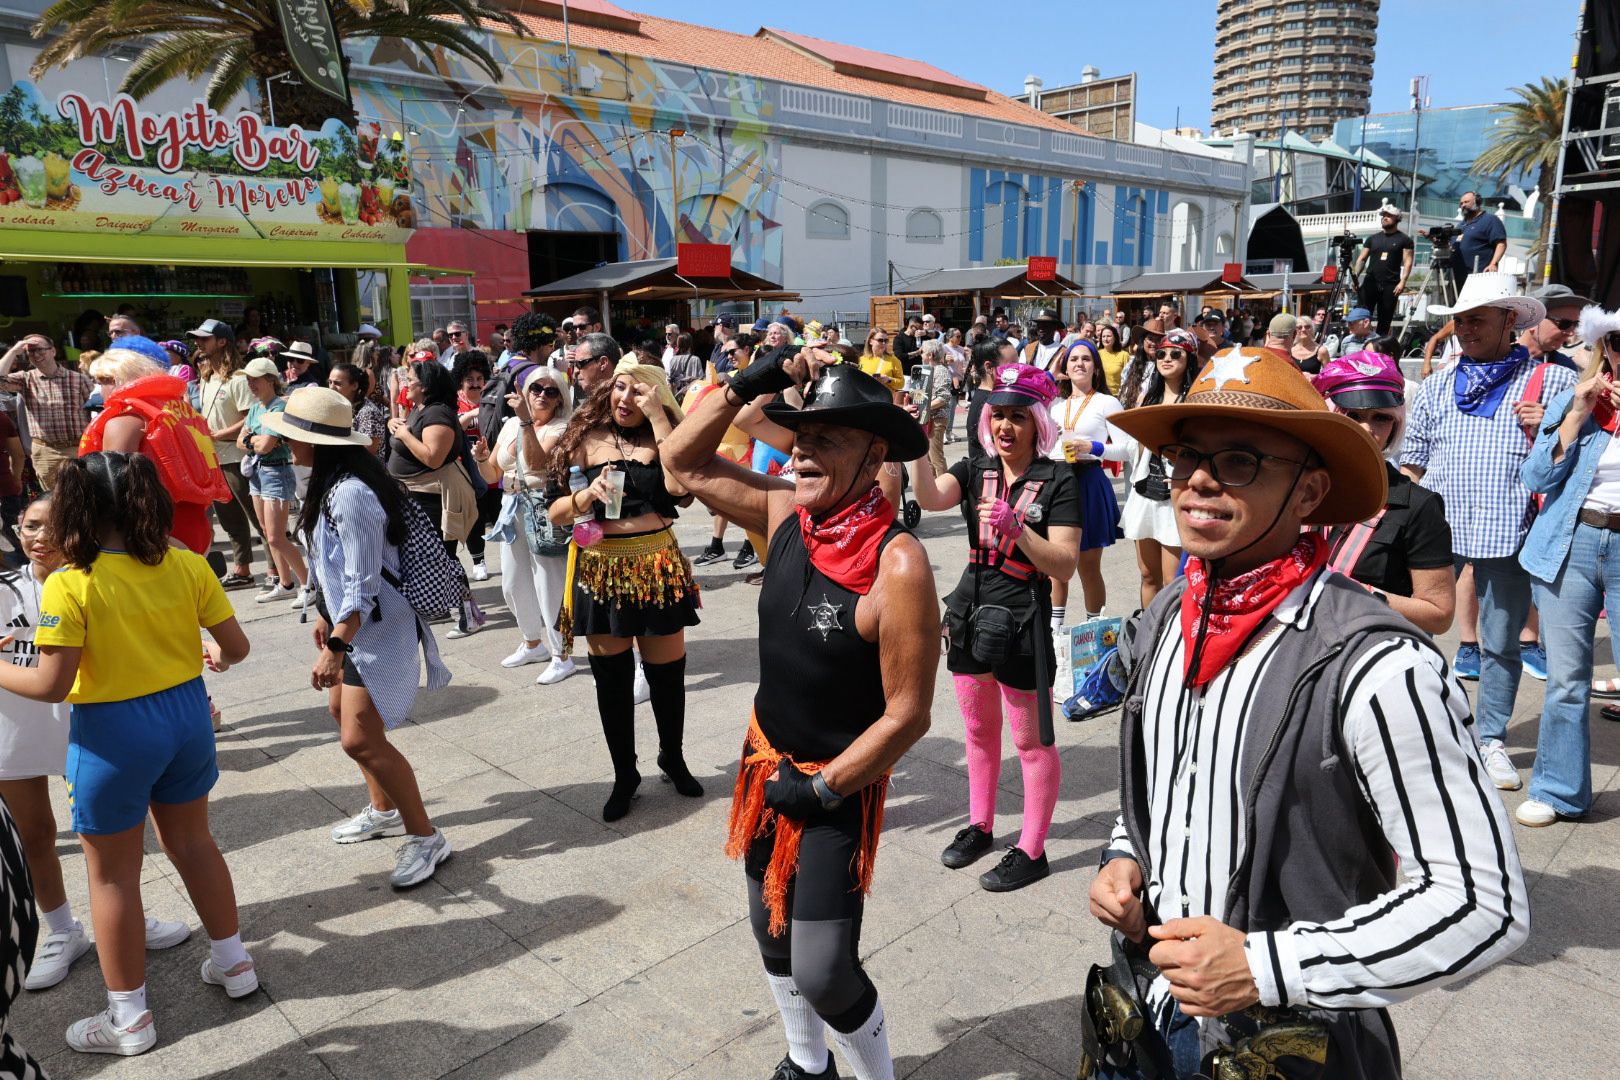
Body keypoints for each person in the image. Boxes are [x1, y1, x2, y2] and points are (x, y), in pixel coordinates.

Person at [1085, 346, 1528, 1079]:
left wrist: (1267, 964)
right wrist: (1125, 852)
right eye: (1186, 454)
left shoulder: (1379, 665)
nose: (1198, 478)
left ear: (1309, 493)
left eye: (1239, 461)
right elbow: (1166, 782)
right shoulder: (1169, 613)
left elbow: (1484, 905)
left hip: (1295, 1042)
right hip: (1150, 1003)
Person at [662, 350, 936, 1080]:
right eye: (801, 435)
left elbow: (908, 715)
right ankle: (807, 1063)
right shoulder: (786, 512)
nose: (805, 449)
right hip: (764, 762)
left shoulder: (899, 563)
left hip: (834, 785)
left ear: (875, 454)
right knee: (769, 931)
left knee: (824, 971)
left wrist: (821, 790)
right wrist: (745, 386)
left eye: (829, 438)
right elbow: (682, 463)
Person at [0, 452, 256, 1056]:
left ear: (76, 511)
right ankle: (235, 963)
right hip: (188, 718)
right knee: (195, 843)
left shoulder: (71, 581)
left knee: (112, 875)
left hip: (113, 731)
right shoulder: (186, 563)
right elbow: (236, 648)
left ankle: (129, 1019)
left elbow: (50, 685)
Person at [265, 388, 453, 885]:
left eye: (292, 436)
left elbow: (365, 583)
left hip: (377, 627)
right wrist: (327, 616)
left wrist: (336, 645)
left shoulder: (350, 492)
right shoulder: (331, 483)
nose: (285, 443)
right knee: (343, 718)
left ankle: (426, 836)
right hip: (356, 625)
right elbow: (337, 570)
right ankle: (383, 809)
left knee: (359, 738)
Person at [1402, 273, 1572, 792]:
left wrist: (1551, 426)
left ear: (1509, 320)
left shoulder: (1552, 383)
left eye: (1477, 318)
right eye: (1459, 319)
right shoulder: (1436, 384)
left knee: (1500, 643)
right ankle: (1417, 727)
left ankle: (1491, 737)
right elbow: (1413, 464)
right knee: (1412, 634)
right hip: (1436, 534)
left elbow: (1578, 462)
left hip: (1509, 531)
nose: (1464, 328)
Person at [911, 364, 1078, 892]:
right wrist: (914, 445)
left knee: (1030, 742)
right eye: (998, 416)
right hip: (968, 613)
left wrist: (1017, 527)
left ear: (1037, 424)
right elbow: (933, 498)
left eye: (1018, 418)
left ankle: (1032, 849)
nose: (1005, 427)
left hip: (1022, 620)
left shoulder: (1059, 479)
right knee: (979, 732)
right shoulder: (974, 466)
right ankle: (980, 826)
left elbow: (1065, 564)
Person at [547, 358, 702, 821]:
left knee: (667, 677)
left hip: (656, 563)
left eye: (638, 392)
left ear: (655, 396)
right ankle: (624, 775)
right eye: (618, 388)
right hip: (600, 567)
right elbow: (553, 513)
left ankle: (671, 758)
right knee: (611, 683)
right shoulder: (584, 438)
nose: (624, 399)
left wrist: (660, 420)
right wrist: (584, 498)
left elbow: (677, 491)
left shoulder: (667, 438)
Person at [1517, 304, 1620, 826]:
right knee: (1566, 680)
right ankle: (1560, 790)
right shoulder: (1576, 398)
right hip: (1572, 542)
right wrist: (1577, 415)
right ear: (1606, 350)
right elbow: (1535, 478)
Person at [1312, 352, 1455, 633]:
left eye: (1380, 418)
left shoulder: (1418, 506)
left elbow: (1439, 615)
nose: (1367, 428)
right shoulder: (1306, 488)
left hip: (1370, 651)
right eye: (1352, 415)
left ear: (1396, 424)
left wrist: (1355, 593)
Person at [475, 364, 577, 686]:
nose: (542, 396)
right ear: (525, 392)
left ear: (560, 399)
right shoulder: (508, 427)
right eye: (536, 389)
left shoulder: (563, 428)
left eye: (551, 391)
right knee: (513, 583)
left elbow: (536, 463)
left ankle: (562, 655)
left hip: (544, 508)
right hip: (512, 506)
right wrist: (480, 458)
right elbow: (492, 474)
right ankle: (533, 643)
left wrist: (524, 421)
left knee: (550, 585)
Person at [80, 348, 230, 559]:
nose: (98, 388)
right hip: (196, 525)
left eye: (102, 380)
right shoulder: (178, 411)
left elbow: (113, 487)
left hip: (154, 530)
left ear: (118, 380)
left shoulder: (124, 421)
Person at [1047, 340, 1126, 623]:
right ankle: (1054, 632)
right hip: (1056, 483)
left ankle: (1095, 631)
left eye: (1086, 359)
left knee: (1089, 567)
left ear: (1096, 367)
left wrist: (1093, 447)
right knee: (1055, 566)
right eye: (1073, 359)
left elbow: (1127, 449)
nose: (1079, 363)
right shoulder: (1054, 405)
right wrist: (1050, 374)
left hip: (1089, 482)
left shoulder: (1108, 402)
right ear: (1065, 367)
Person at [1119, 330, 1193, 607]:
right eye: (1161, 353)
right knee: (1147, 575)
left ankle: (1170, 637)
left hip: (1174, 499)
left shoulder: (1195, 400)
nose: (1167, 358)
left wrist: (1180, 478)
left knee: (1172, 580)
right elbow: (1131, 449)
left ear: (1189, 358)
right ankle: (1148, 637)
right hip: (1143, 493)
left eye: (1176, 353)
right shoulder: (1146, 399)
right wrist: (1095, 448)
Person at [387, 360, 477, 563]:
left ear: (425, 386)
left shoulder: (437, 413)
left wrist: (404, 435)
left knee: (440, 560)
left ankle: (459, 595)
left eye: (410, 380)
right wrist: (392, 422)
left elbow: (433, 458)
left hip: (429, 502)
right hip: (415, 498)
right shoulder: (422, 408)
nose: (405, 384)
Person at [238, 356, 310, 608]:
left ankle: (307, 584)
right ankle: (286, 584)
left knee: (277, 537)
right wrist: (254, 441)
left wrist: (254, 441)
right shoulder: (257, 408)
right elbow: (243, 442)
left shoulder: (279, 407)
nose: (251, 384)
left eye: (255, 379)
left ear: (270, 380)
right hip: (258, 474)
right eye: (248, 380)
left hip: (276, 473)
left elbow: (266, 446)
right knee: (269, 534)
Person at [193, 331, 263, 588]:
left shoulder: (238, 379)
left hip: (238, 456)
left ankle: (277, 570)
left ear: (222, 342)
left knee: (258, 517)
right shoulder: (207, 378)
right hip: (214, 459)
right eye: (197, 339)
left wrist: (218, 435)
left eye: (204, 339)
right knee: (229, 519)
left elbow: (251, 417)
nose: (199, 344)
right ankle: (242, 570)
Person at [0, 332, 93, 489]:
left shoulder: (78, 379)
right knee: (52, 501)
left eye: (40, 349)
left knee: (84, 494)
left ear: (53, 351)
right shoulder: (25, 379)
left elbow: (94, 413)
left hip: (77, 448)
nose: (36, 354)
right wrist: (14, 351)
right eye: (31, 351)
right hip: (45, 451)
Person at [452, 351, 499, 582]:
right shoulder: (454, 402)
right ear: (461, 381)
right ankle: (479, 560)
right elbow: (453, 428)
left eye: (479, 379)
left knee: (499, 512)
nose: (475, 384)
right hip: (467, 470)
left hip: (492, 465)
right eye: (470, 379)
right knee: (475, 518)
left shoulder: (492, 398)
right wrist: (472, 413)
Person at [1352, 206, 1414, 336]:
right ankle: (1360, 342)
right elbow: (1362, 259)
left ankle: (1379, 348)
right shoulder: (1372, 238)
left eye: (1388, 215)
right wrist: (1355, 276)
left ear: (1397, 218)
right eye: (1383, 215)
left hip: (1391, 285)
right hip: (1370, 282)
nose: (1384, 218)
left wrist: (1403, 281)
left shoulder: (1405, 240)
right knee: (1361, 315)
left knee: (1385, 319)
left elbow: (1408, 261)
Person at [965, 338, 1017, 467]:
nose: (1018, 370)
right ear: (989, 367)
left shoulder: (990, 396)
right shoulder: (990, 403)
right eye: (1012, 365)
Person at [1519, 284, 1589, 371]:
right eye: (1564, 323)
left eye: (1575, 324)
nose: (1571, 333)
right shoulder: (1501, 356)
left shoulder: (1565, 367)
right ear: (1533, 320)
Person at [910, 339, 954, 477]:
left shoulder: (940, 370)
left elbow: (944, 397)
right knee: (928, 457)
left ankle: (944, 488)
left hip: (937, 418)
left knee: (936, 457)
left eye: (922, 352)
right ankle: (933, 487)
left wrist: (925, 407)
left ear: (930, 355)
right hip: (926, 417)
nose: (920, 354)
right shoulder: (924, 370)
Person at [1449, 191, 1507, 289]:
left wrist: (1493, 263)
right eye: (1461, 203)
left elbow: (1501, 244)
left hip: (1478, 277)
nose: (1463, 205)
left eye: (1466, 202)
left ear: (1477, 202)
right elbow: (1451, 245)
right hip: (1456, 277)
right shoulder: (1461, 225)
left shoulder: (1490, 220)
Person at [327, 363, 388, 455]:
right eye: (330, 382)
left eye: (337, 383)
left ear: (354, 386)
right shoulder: (344, 407)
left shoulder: (369, 413)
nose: (331, 387)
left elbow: (367, 453)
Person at [858, 328, 903, 393]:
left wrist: (888, 380)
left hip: (885, 400)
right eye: (880, 340)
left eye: (886, 340)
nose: (884, 343)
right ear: (871, 341)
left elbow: (901, 384)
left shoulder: (893, 360)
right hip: (866, 399)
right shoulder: (861, 360)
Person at [1095, 324, 1131, 395]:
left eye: (1108, 336)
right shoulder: (1097, 354)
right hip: (1100, 395)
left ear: (1115, 338)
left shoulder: (1124, 355)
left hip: (1117, 395)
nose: (1106, 339)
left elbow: (1129, 378)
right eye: (1103, 336)